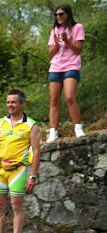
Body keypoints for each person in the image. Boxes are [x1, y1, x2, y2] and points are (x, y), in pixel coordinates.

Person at [0, 89, 41, 233]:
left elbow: (36, 151)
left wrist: (33, 175)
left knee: (16, 206)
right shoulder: (1, 123)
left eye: (13, 102)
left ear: (22, 104)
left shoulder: (31, 125)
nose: (10, 105)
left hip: (17, 171)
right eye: (8, 102)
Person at [46, 4, 85, 143]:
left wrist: (67, 41)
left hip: (72, 65)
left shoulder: (77, 27)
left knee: (69, 97)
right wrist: (56, 44)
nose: (58, 17)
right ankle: (53, 132)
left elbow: (78, 50)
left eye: (61, 14)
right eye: (56, 15)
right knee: (54, 100)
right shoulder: (54, 30)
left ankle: (78, 128)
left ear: (68, 14)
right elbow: (50, 54)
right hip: (56, 67)